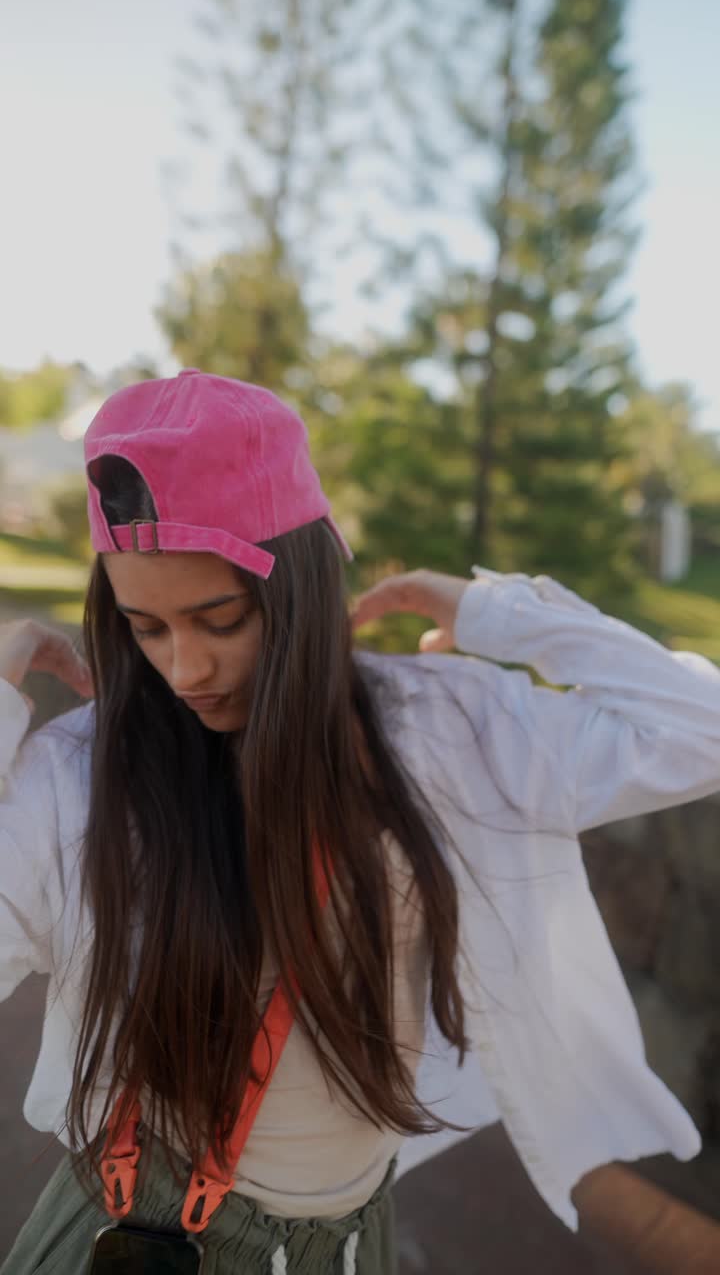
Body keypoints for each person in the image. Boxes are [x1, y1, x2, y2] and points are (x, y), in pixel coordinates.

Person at [1, 368, 719, 1275]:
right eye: (146, 627)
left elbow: (702, 728)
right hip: (139, 1238)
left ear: (300, 585)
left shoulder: (443, 731)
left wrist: (503, 615)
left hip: (349, 1242)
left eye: (219, 619)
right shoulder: (86, 774)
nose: (184, 670)